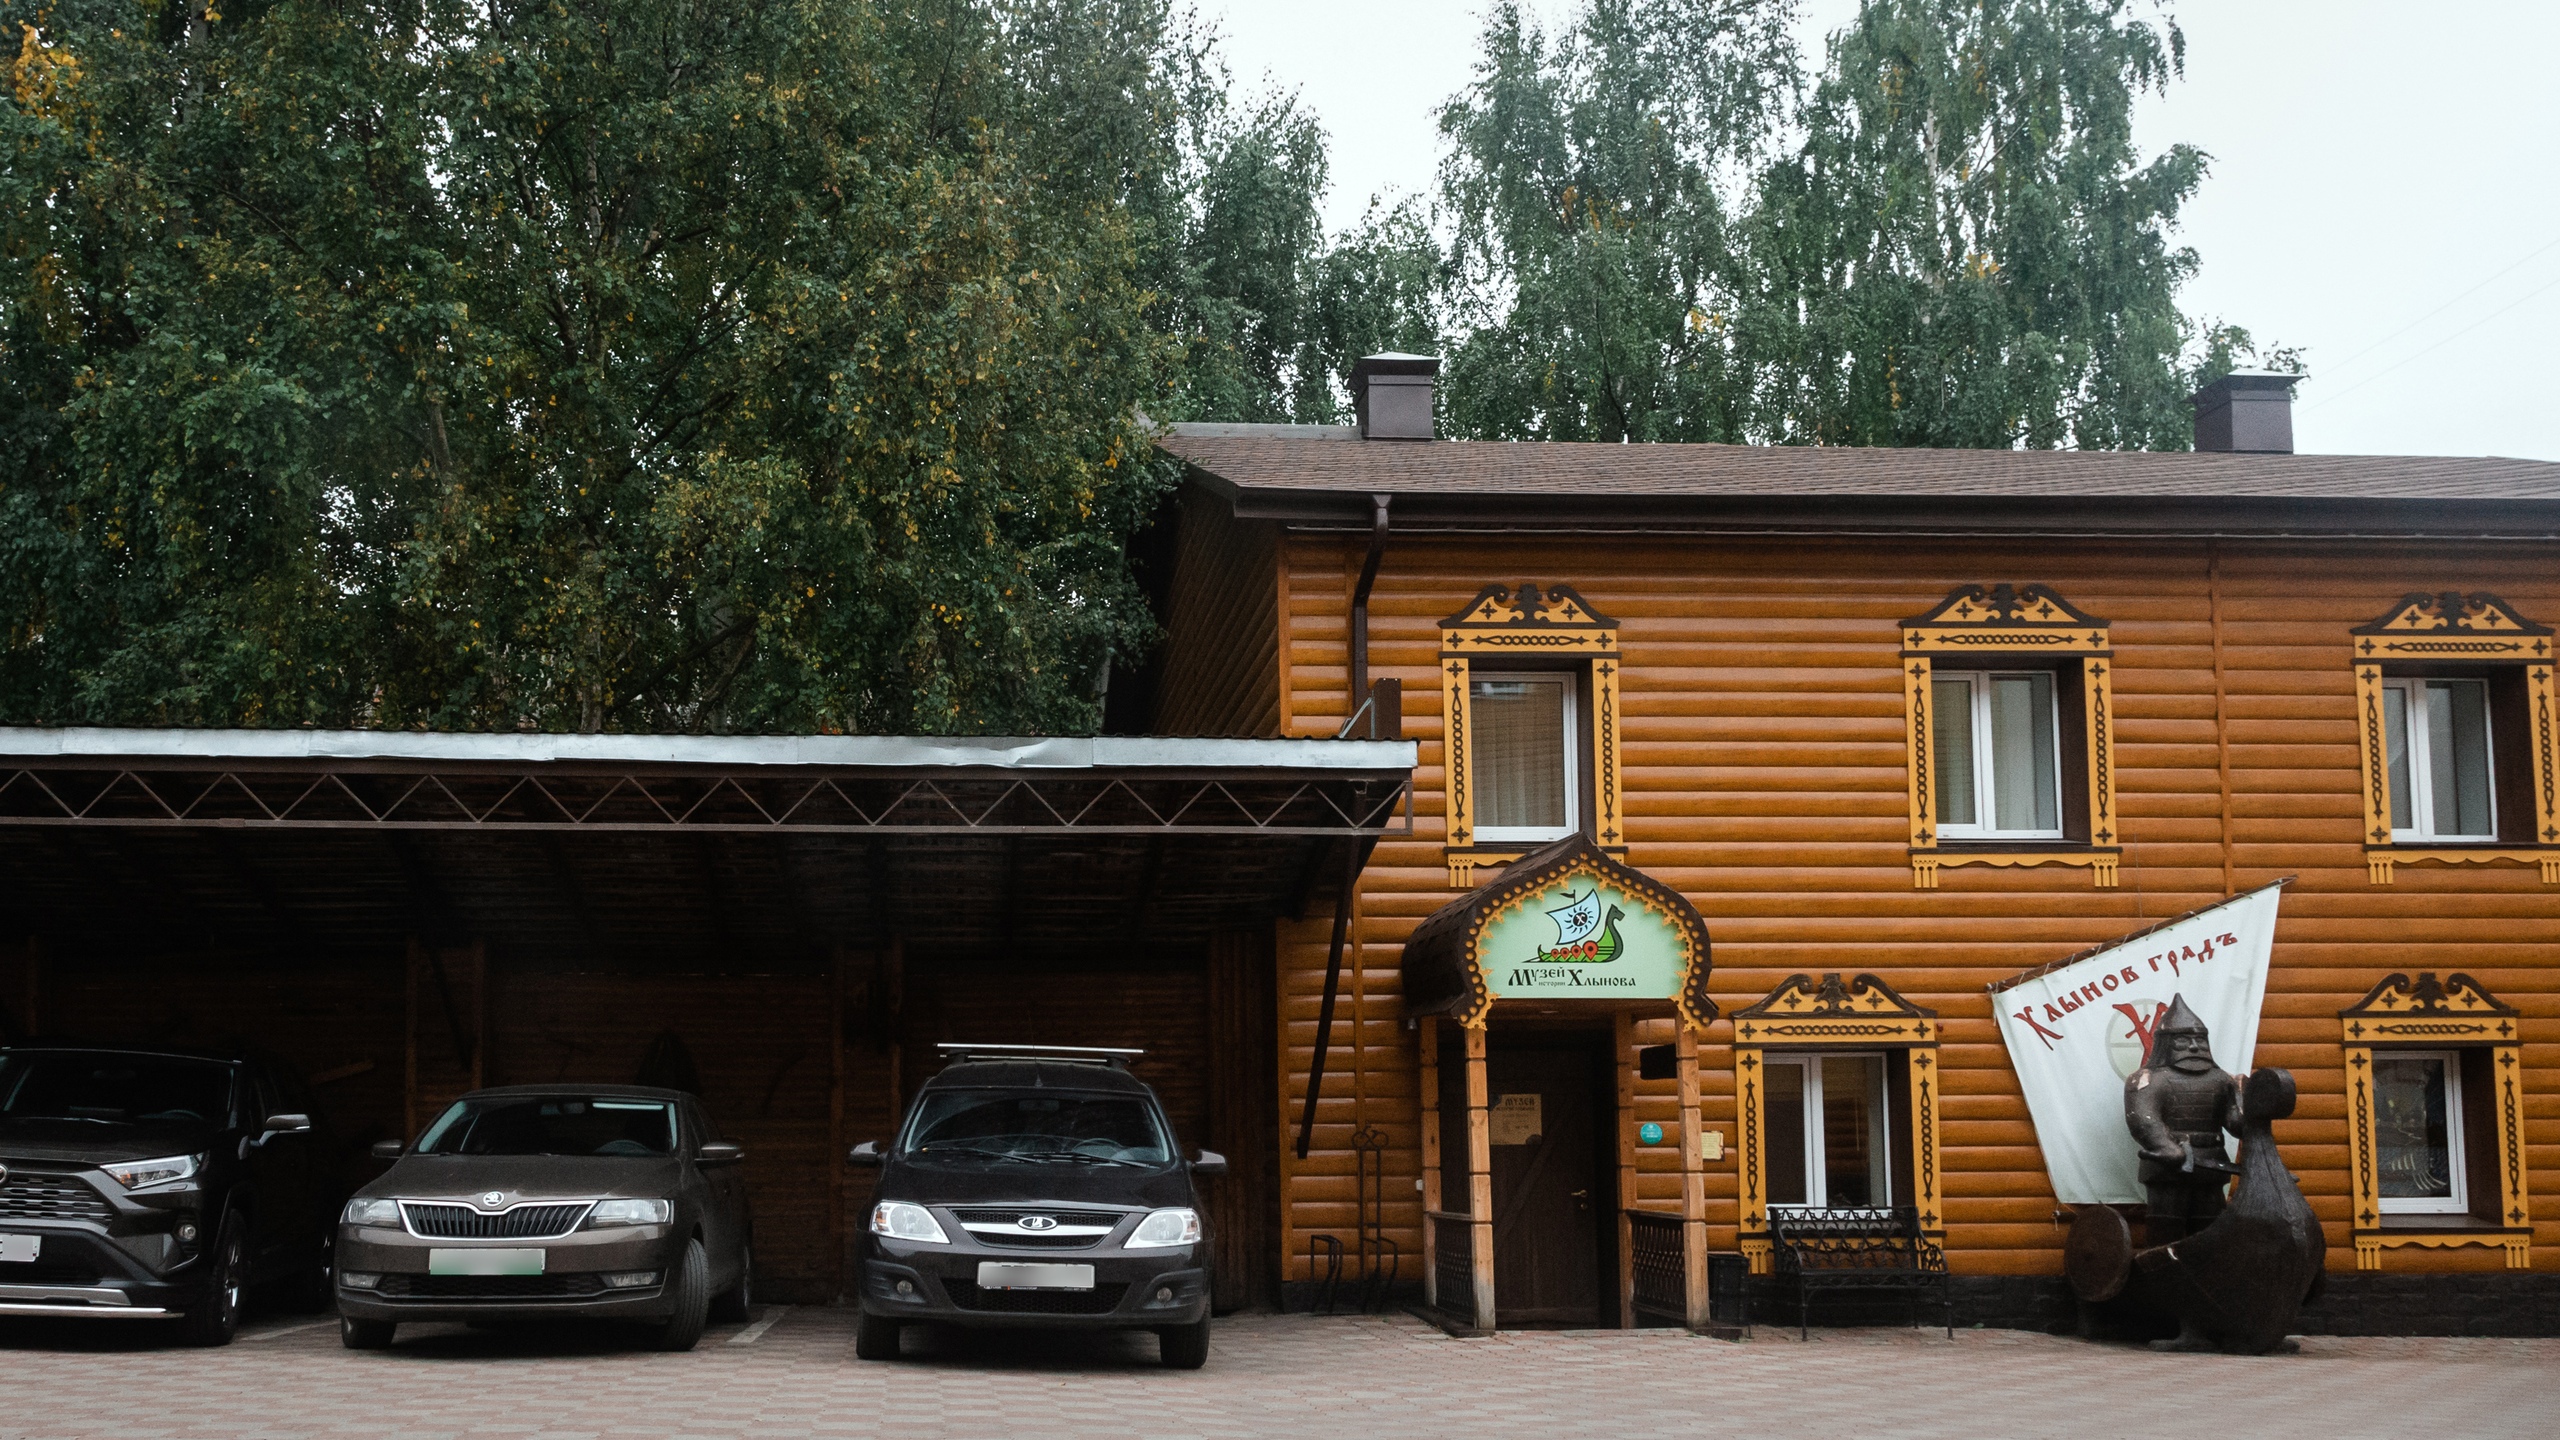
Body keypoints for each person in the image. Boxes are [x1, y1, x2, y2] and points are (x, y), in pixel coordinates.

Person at [2122, 996, 2243, 1246]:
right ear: (2166, 1044)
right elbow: (2144, 1120)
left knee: (2210, 1231)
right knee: (2166, 1230)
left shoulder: (2223, 1080)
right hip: (2169, 1168)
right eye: (2183, 1040)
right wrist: (2165, 1147)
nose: (2194, 1047)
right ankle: (2163, 1270)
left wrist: (2243, 1099)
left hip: (2211, 1164)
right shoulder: (2147, 1079)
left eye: (2199, 1040)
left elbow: (2236, 1125)